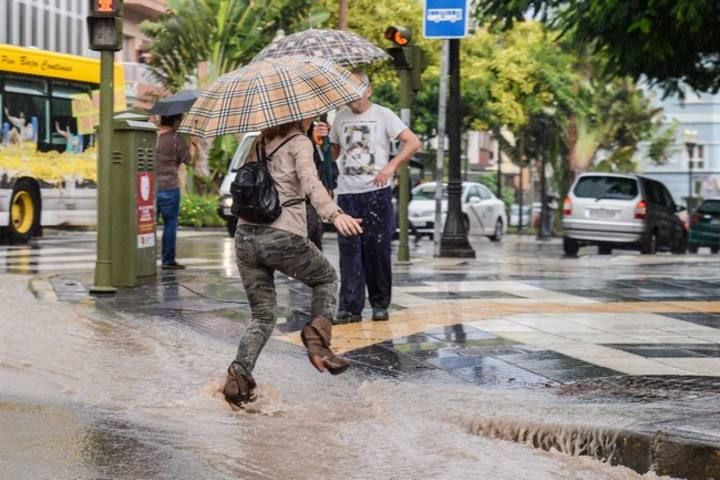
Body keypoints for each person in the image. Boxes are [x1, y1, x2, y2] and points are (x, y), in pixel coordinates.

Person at [222, 118, 363, 408]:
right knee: (325, 278)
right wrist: (336, 215)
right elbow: (311, 183)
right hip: (281, 234)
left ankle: (238, 378)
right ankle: (316, 341)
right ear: (300, 115)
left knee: (262, 316)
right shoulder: (300, 142)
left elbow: (244, 182)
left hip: (246, 235)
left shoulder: (259, 141)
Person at [329, 71, 421, 323]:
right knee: (349, 252)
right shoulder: (339, 118)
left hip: (376, 192)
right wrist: (321, 142)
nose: (354, 97)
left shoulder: (383, 115)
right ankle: (349, 307)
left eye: (358, 90)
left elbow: (413, 142)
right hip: (347, 193)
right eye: (348, 91)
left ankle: (380, 304)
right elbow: (333, 155)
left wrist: (391, 167)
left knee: (377, 250)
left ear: (369, 90)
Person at [155, 114, 191, 269]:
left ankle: (143, 258)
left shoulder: (150, 136)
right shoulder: (176, 138)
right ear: (176, 121)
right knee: (170, 224)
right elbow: (189, 160)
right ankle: (168, 260)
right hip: (169, 187)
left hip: (148, 189)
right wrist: (192, 143)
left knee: (147, 225)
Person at [305, 120, 338, 250]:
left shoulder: (317, 132)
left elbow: (329, 163)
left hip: (312, 197)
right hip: (292, 198)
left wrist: (324, 140)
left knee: (312, 235)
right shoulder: (288, 135)